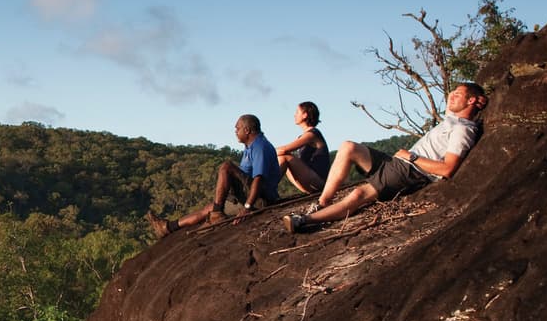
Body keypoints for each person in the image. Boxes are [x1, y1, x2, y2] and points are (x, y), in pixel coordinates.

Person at [283, 82, 489, 234]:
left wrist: (412, 156)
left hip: (411, 170)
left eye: (457, 94)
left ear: (470, 101)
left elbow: (448, 169)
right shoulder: (452, 119)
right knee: (348, 147)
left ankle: (306, 221)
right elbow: (454, 103)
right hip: (398, 162)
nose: (451, 96)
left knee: (359, 194)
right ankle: (322, 203)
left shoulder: (463, 130)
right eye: (452, 93)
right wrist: (470, 95)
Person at [148, 114, 281, 237]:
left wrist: (247, 207)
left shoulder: (260, 147)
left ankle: (217, 215)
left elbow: (259, 179)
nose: (235, 131)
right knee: (210, 208)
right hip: (250, 194)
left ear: (247, 130)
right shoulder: (250, 146)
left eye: (238, 128)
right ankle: (167, 227)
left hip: (260, 199)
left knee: (226, 166)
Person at [275, 101, 331, 194]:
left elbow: (284, 149)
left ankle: (268, 188)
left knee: (285, 156)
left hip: (319, 181)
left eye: (297, 112)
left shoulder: (312, 134)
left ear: (305, 115)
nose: (294, 115)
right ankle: (269, 186)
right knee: (284, 157)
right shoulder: (303, 136)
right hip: (309, 181)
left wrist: (266, 153)